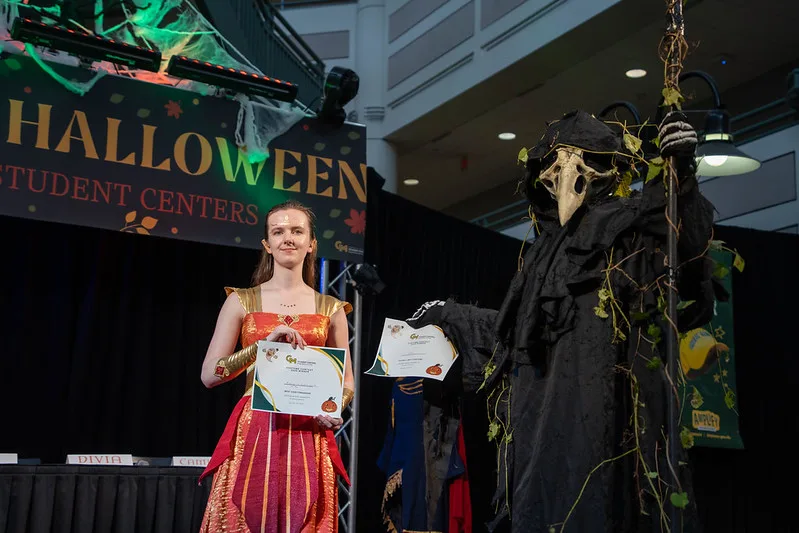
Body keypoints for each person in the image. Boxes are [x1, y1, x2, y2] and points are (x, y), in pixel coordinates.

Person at [198, 200, 355, 533]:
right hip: (255, 428)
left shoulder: (332, 308)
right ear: (267, 245)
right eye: (278, 231)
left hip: (308, 431)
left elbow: (347, 383)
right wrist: (261, 346)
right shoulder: (241, 300)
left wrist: (334, 407)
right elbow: (210, 375)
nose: (288, 238)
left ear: (311, 243)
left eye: (297, 231)